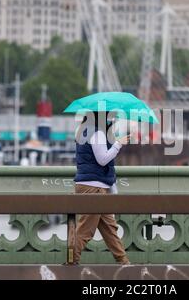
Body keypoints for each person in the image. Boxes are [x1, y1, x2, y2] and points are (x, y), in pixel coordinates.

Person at [72, 111, 131, 265]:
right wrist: (118, 144)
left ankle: (123, 262)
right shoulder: (96, 133)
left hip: (93, 186)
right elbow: (103, 159)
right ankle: (70, 262)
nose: (111, 119)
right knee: (85, 230)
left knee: (109, 228)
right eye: (109, 116)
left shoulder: (85, 130)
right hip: (93, 188)